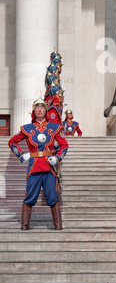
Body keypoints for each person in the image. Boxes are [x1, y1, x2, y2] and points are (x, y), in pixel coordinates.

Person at [8, 98, 69, 230]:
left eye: (42, 107)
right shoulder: (27, 128)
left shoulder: (54, 128)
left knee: (53, 196)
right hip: (34, 166)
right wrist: (21, 154)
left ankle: (58, 227)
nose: (39, 110)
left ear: (46, 111)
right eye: (37, 107)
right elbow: (12, 142)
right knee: (30, 196)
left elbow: (64, 145)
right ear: (33, 111)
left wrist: (57, 158)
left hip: (49, 167)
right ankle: (24, 226)